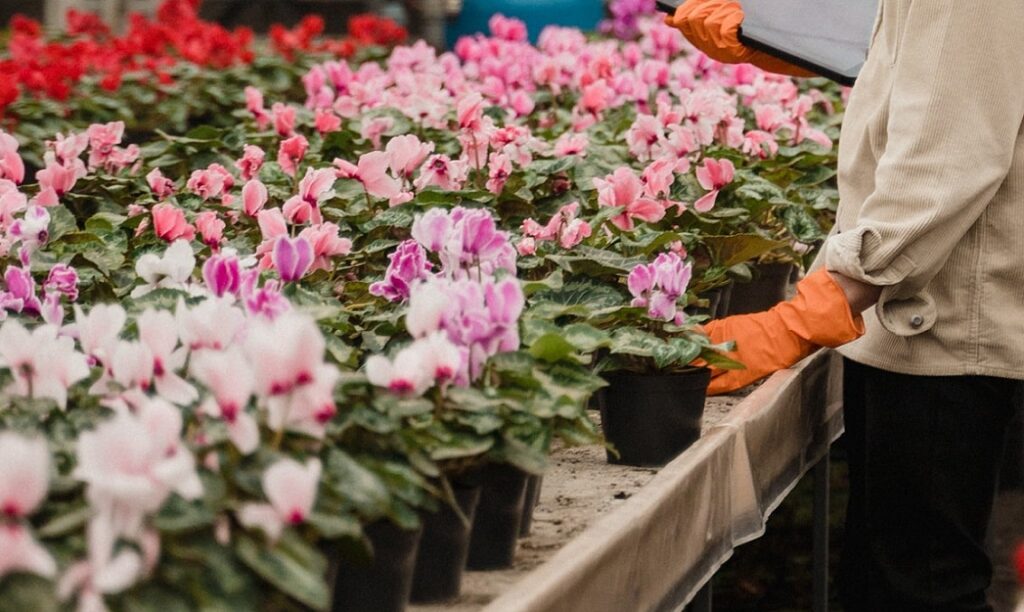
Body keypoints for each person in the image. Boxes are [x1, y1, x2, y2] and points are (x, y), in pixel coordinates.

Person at [666, 1, 1024, 610]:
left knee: (920, 588)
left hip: (947, 328)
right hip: (926, 317)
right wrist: (786, 40)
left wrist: (810, 312)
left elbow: (943, 164)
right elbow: (949, 62)